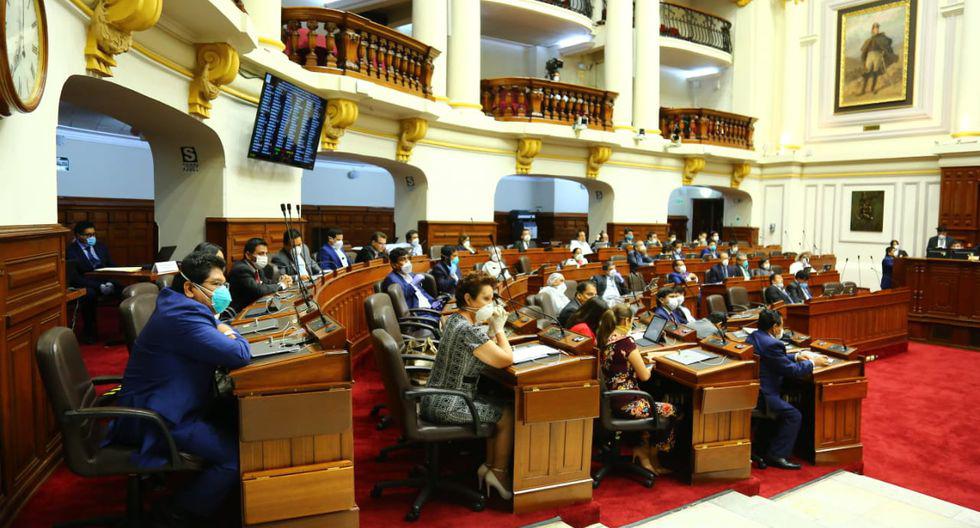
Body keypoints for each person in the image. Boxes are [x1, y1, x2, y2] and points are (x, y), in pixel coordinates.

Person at [107, 251, 251, 523]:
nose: (223, 291)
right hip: (160, 416)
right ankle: (177, 512)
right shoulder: (183, 318)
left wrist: (224, 329)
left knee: (237, 422)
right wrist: (233, 333)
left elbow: (216, 325)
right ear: (189, 287)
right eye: (215, 285)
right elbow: (239, 355)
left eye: (224, 284)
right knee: (236, 456)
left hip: (174, 403)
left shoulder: (178, 305)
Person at [420, 273, 515, 499]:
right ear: (469, 299)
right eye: (486, 299)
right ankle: (498, 473)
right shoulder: (468, 330)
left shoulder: (454, 319)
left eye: (492, 299)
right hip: (449, 404)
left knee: (498, 403)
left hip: (432, 397)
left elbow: (481, 347)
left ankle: (490, 467)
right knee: (507, 414)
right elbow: (505, 359)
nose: (491, 305)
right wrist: (499, 329)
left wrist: (491, 330)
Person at [597, 303, 677, 474]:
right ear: (626, 320)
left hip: (612, 400)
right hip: (627, 403)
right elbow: (645, 376)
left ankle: (639, 448)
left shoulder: (604, 337)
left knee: (654, 399)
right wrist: (650, 364)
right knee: (671, 410)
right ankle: (655, 455)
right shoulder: (626, 342)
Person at [747, 309, 829, 470]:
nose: (782, 329)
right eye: (781, 326)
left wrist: (797, 356)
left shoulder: (754, 336)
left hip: (755, 390)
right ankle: (777, 455)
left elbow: (773, 359)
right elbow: (793, 371)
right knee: (794, 415)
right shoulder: (773, 344)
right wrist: (813, 363)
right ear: (774, 327)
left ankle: (766, 445)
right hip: (765, 396)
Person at [65, 221, 118, 343]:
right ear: (78, 235)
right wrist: (99, 286)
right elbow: (75, 278)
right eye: (87, 235)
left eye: (93, 234)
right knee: (89, 294)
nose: (91, 238)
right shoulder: (71, 251)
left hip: (105, 280)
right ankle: (89, 332)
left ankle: (123, 331)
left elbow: (112, 266)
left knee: (124, 289)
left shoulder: (101, 246)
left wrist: (110, 282)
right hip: (87, 283)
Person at [228, 237, 292, 313]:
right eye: (261, 253)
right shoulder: (241, 269)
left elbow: (266, 283)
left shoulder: (257, 267)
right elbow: (258, 290)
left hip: (255, 305)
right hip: (241, 312)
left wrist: (281, 280)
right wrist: (281, 285)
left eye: (266, 253)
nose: (265, 257)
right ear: (248, 255)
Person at [381, 247, 445, 315]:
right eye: (403, 259)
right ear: (394, 265)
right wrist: (412, 284)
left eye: (408, 258)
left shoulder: (411, 274)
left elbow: (421, 292)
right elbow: (401, 297)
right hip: (418, 313)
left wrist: (433, 302)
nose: (407, 262)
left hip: (430, 307)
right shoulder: (391, 279)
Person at [859, 22, 896, 96]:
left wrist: (883, 48)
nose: (876, 30)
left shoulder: (881, 37)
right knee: (867, 71)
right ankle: (862, 91)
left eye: (877, 28)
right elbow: (864, 49)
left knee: (875, 72)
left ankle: (872, 89)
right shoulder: (869, 39)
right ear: (872, 30)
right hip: (869, 56)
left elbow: (889, 41)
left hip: (877, 55)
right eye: (875, 29)